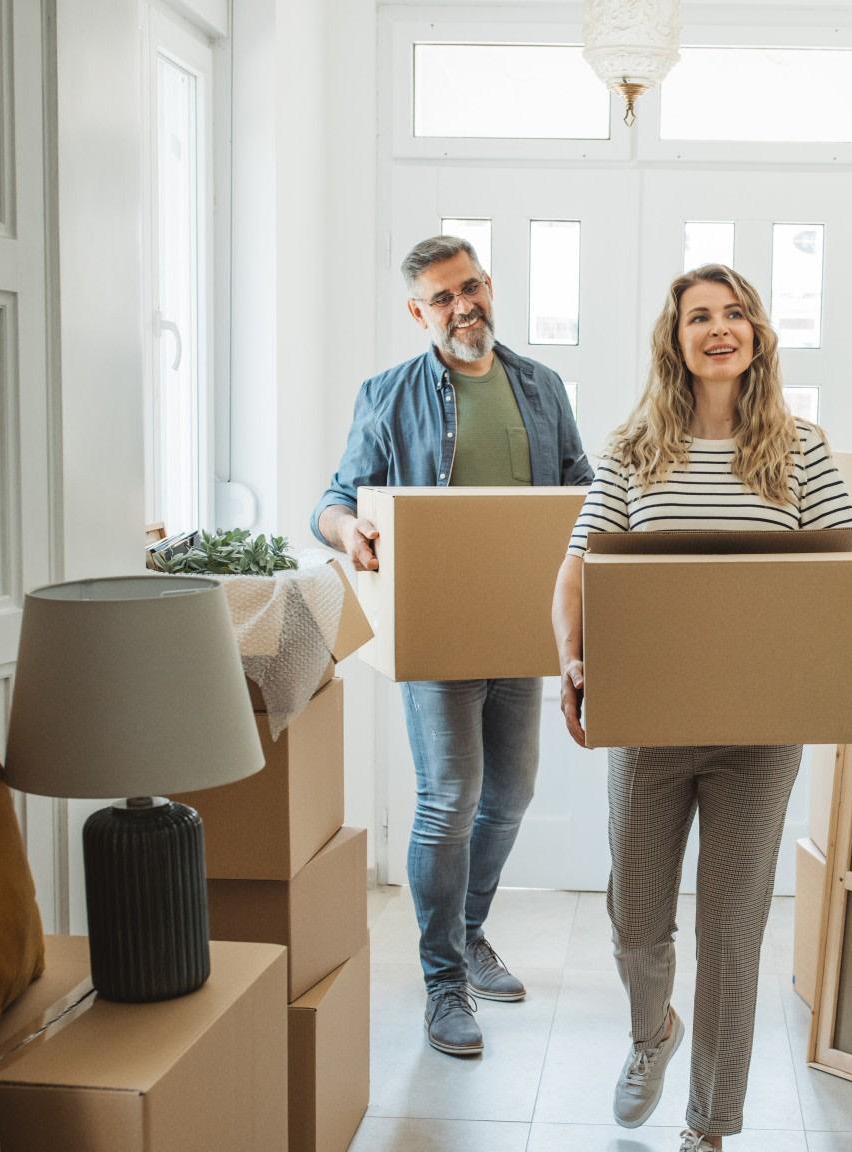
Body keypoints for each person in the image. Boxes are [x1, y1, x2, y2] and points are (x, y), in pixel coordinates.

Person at [549, 264, 852, 1151]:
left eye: (734, 314)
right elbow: (575, 571)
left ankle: (709, 1129)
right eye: (698, 317)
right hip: (650, 726)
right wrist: (569, 659)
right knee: (635, 918)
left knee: (732, 934)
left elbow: (844, 571)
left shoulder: (800, 448)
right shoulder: (633, 449)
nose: (717, 329)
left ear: (757, 334)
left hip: (760, 735)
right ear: (674, 339)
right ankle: (653, 1034)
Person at [313, 235, 593, 1057]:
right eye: (443, 297)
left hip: (521, 625)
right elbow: (332, 498)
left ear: (490, 286)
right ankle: (442, 982)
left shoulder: (540, 387)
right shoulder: (387, 393)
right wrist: (349, 527)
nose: (463, 305)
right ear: (418, 312)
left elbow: (581, 485)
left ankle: (469, 933)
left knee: (512, 791)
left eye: (470, 287)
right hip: (435, 633)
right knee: (450, 798)